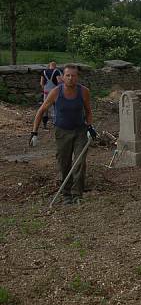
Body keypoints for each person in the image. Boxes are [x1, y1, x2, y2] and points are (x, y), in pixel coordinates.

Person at [30, 64, 96, 205]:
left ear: (77, 77)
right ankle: (66, 194)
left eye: (73, 75)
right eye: (68, 75)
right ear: (62, 77)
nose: (71, 78)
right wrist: (34, 132)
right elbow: (41, 111)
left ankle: (77, 193)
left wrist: (90, 127)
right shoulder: (56, 92)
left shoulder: (84, 91)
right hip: (62, 131)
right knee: (64, 162)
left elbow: (88, 111)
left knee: (79, 162)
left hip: (80, 130)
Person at [39, 61, 62, 129]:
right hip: (54, 92)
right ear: (55, 66)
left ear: (49, 66)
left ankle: (44, 124)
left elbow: (41, 83)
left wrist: (45, 89)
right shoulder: (56, 72)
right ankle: (55, 123)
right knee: (55, 107)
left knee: (45, 107)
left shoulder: (43, 72)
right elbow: (59, 81)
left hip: (46, 92)